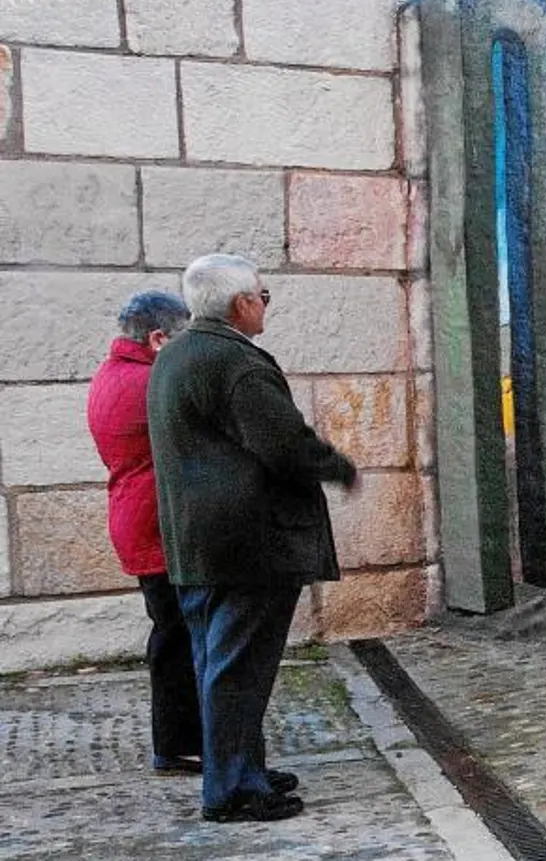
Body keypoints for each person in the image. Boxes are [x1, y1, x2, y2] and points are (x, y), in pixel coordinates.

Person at [148, 254, 357, 823]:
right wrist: (337, 466)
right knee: (238, 668)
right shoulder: (235, 363)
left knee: (216, 662)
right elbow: (285, 443)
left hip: (198, 542)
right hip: (247, 544)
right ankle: (233, 789)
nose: (266, 305)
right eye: (264, 296)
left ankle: (240, 768)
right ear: (242, 303)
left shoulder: (177, 354)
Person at [87, 291, 204, 777]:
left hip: (137, 516)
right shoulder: (148, 382)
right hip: (157, 523)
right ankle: (179, 746)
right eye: (184, 337)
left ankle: (180, 742)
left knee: (171, 631)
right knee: (177, 637)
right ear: (158, 339)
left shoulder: (111, 374)